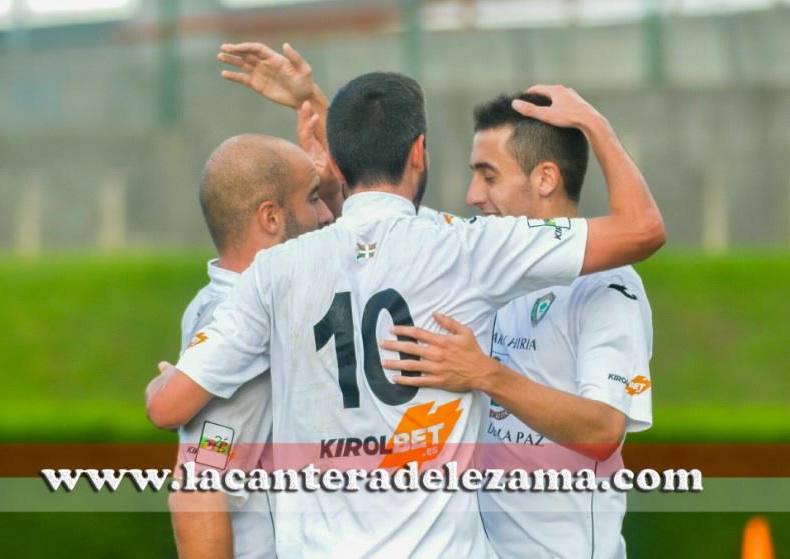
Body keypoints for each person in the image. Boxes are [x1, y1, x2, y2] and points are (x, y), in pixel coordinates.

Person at [146, 66, 664, 557]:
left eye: (487, 175)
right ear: (419, 153)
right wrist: (594, 123)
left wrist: (164, 383)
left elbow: (168, 411)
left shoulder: (274, 272)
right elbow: (642, 229)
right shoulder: (465, 252)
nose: (472, 195)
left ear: (340, 166)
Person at [381, 93, 654, 558]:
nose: (472, 194)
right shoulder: (481, 257)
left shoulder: (607, 287)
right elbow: (382, 208)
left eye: (488, 175)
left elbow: (604, 431)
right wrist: (318, 107)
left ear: (545, 178)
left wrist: (484, 374)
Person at [145, 132, 333, 559]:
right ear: (270, 218)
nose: (325, 216)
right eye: (314, 197)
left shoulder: (215, 302)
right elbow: (196, 492)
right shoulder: (243, 327)